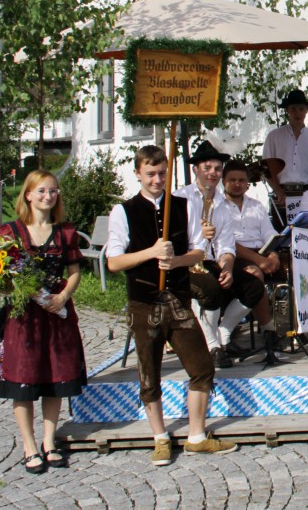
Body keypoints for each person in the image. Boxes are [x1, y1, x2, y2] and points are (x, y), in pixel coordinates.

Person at [107, 145, 237, 466]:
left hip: (177, 299)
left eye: (162, 173)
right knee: (149, 374)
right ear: (137, 173)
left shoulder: (182, 207)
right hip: (144, 299)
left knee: (202, 367)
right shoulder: (123, 211)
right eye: (150, 174)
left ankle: (195, 435)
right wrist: (150, 253)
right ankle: (160, 438)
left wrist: (176, 260)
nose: (156, 179)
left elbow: (198, 251)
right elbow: (114, 261)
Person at [0, 170, 86, 474]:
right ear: (28, 195)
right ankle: (29, 445)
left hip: (56, 315)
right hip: (24, 319)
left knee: (55, 379)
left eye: (54, 191)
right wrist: (21, 289)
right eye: (42, 191)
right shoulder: (9, 233)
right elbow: (0, 279)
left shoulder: (65, 232)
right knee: (24, 381)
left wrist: (62, 297)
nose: (49, 196)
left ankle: (49, 440)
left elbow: (75, 272)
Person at [173, 140, 251, 370]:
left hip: (210, 261)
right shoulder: (180, 198)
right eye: (207, 168)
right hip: (183, 262)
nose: (213, 173)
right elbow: (172, 240)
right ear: (195, 170)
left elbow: (226, 245)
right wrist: (197, 232)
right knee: (209, 287)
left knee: (252, 285)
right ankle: (212, 345)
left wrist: (227, 267)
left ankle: (223, 334)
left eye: (217, 169)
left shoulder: (222, 204)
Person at [221, 159, 284, 364]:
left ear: (248, 183)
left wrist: (273, 254)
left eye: (242, 180)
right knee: (255, 275)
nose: (237, 184)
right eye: (232, 180)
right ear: (224, 181)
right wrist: (259, 260)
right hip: (235, 255)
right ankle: (268, 329)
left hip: (262, 251)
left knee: (298, 268)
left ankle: (299, 328)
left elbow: (268, 232)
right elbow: (227, 241)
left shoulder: (256, 205)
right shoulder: (219, 207)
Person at [262, 89, 308, 209]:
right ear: (287, 110)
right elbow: (267, 168)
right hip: (281, 193)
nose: (298, 113)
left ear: (307, 110)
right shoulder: (274, 136)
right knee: (280, 228)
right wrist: (278, 191)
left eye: (301, 109)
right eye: (293, 109)